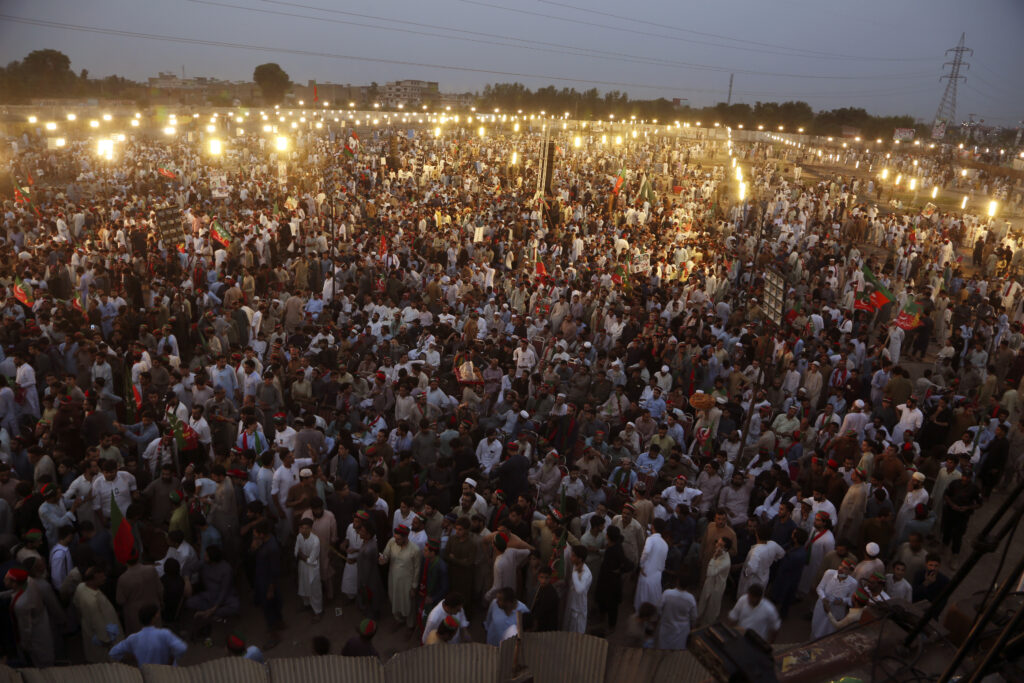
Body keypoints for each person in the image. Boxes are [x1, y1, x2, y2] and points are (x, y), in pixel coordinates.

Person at [73, 565, 123, 662]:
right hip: (103, 638)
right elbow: (98, 625)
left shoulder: (81, 587)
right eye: (101, 577)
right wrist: (106, 640)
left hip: (90, 628)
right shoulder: (91, 601)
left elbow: (76, 605)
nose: (104, 578)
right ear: (92, 580)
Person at [109, 604, 188, 666]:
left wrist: (131, 656)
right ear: (154, 618)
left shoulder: (133, 638)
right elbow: (182, 648)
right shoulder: (164, 634)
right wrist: (172, 657)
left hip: (147, 674)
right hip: (166, 672)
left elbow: (113, 652)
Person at [811, 559, 858, 639]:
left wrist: (842, 601)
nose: (840, 569)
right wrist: (824, 599)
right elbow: (819, 588)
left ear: (850, 572)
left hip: (836, 611)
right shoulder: (829, 573)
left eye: (845, 568)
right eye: (841, 566)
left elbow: (851, 600)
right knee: (816, 628)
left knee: (829, 632)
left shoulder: (853, 583)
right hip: (822, 607)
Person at [635, 517, 669, 611]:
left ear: (653, 527)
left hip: (647, 572)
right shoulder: (665, 544)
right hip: (657, 574)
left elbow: (646, 552)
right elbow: (663, 562)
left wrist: (641, 565)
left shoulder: (651, 539)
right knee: (654, 597)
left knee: (643, 596)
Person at [657, 573, 698, 650]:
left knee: (662, 649)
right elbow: (694, 618)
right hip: (681, 632)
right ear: (688, 585)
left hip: (666, 627)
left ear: (677, 581)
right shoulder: (690, 599)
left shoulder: (667, 593)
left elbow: (658, 609)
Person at [698, 536, 732, 627]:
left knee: (711, 609)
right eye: (718, 542)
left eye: (720, 545)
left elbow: (710, 572)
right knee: (702, 603)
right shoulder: (719, 554)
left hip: (717, 587)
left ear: (725, 548)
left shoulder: (725, 562)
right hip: (710, 583)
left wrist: (713, 558)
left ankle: (705, 626)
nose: (716, 545)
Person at [295, 516, 324, 620]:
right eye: (302, 528)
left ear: (311, 529)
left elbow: (310, 559)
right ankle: (306, 604)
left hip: (312, 568)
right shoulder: (299, 537)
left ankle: (318, 611)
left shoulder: (315, 541)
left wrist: (302, 556)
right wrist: (302, 556)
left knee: (314, 590)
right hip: (302, 567)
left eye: (306, 528)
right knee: (303, 586)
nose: (303, 530)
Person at [563, 544, 593, 633]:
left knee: (576, 635)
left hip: (578, 609)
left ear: (579, 559)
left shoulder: (586, 574)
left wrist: (575, 574)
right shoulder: (575, 566)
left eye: (573, 556)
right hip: (571, 604)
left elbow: (579, 589)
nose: (570, 557)